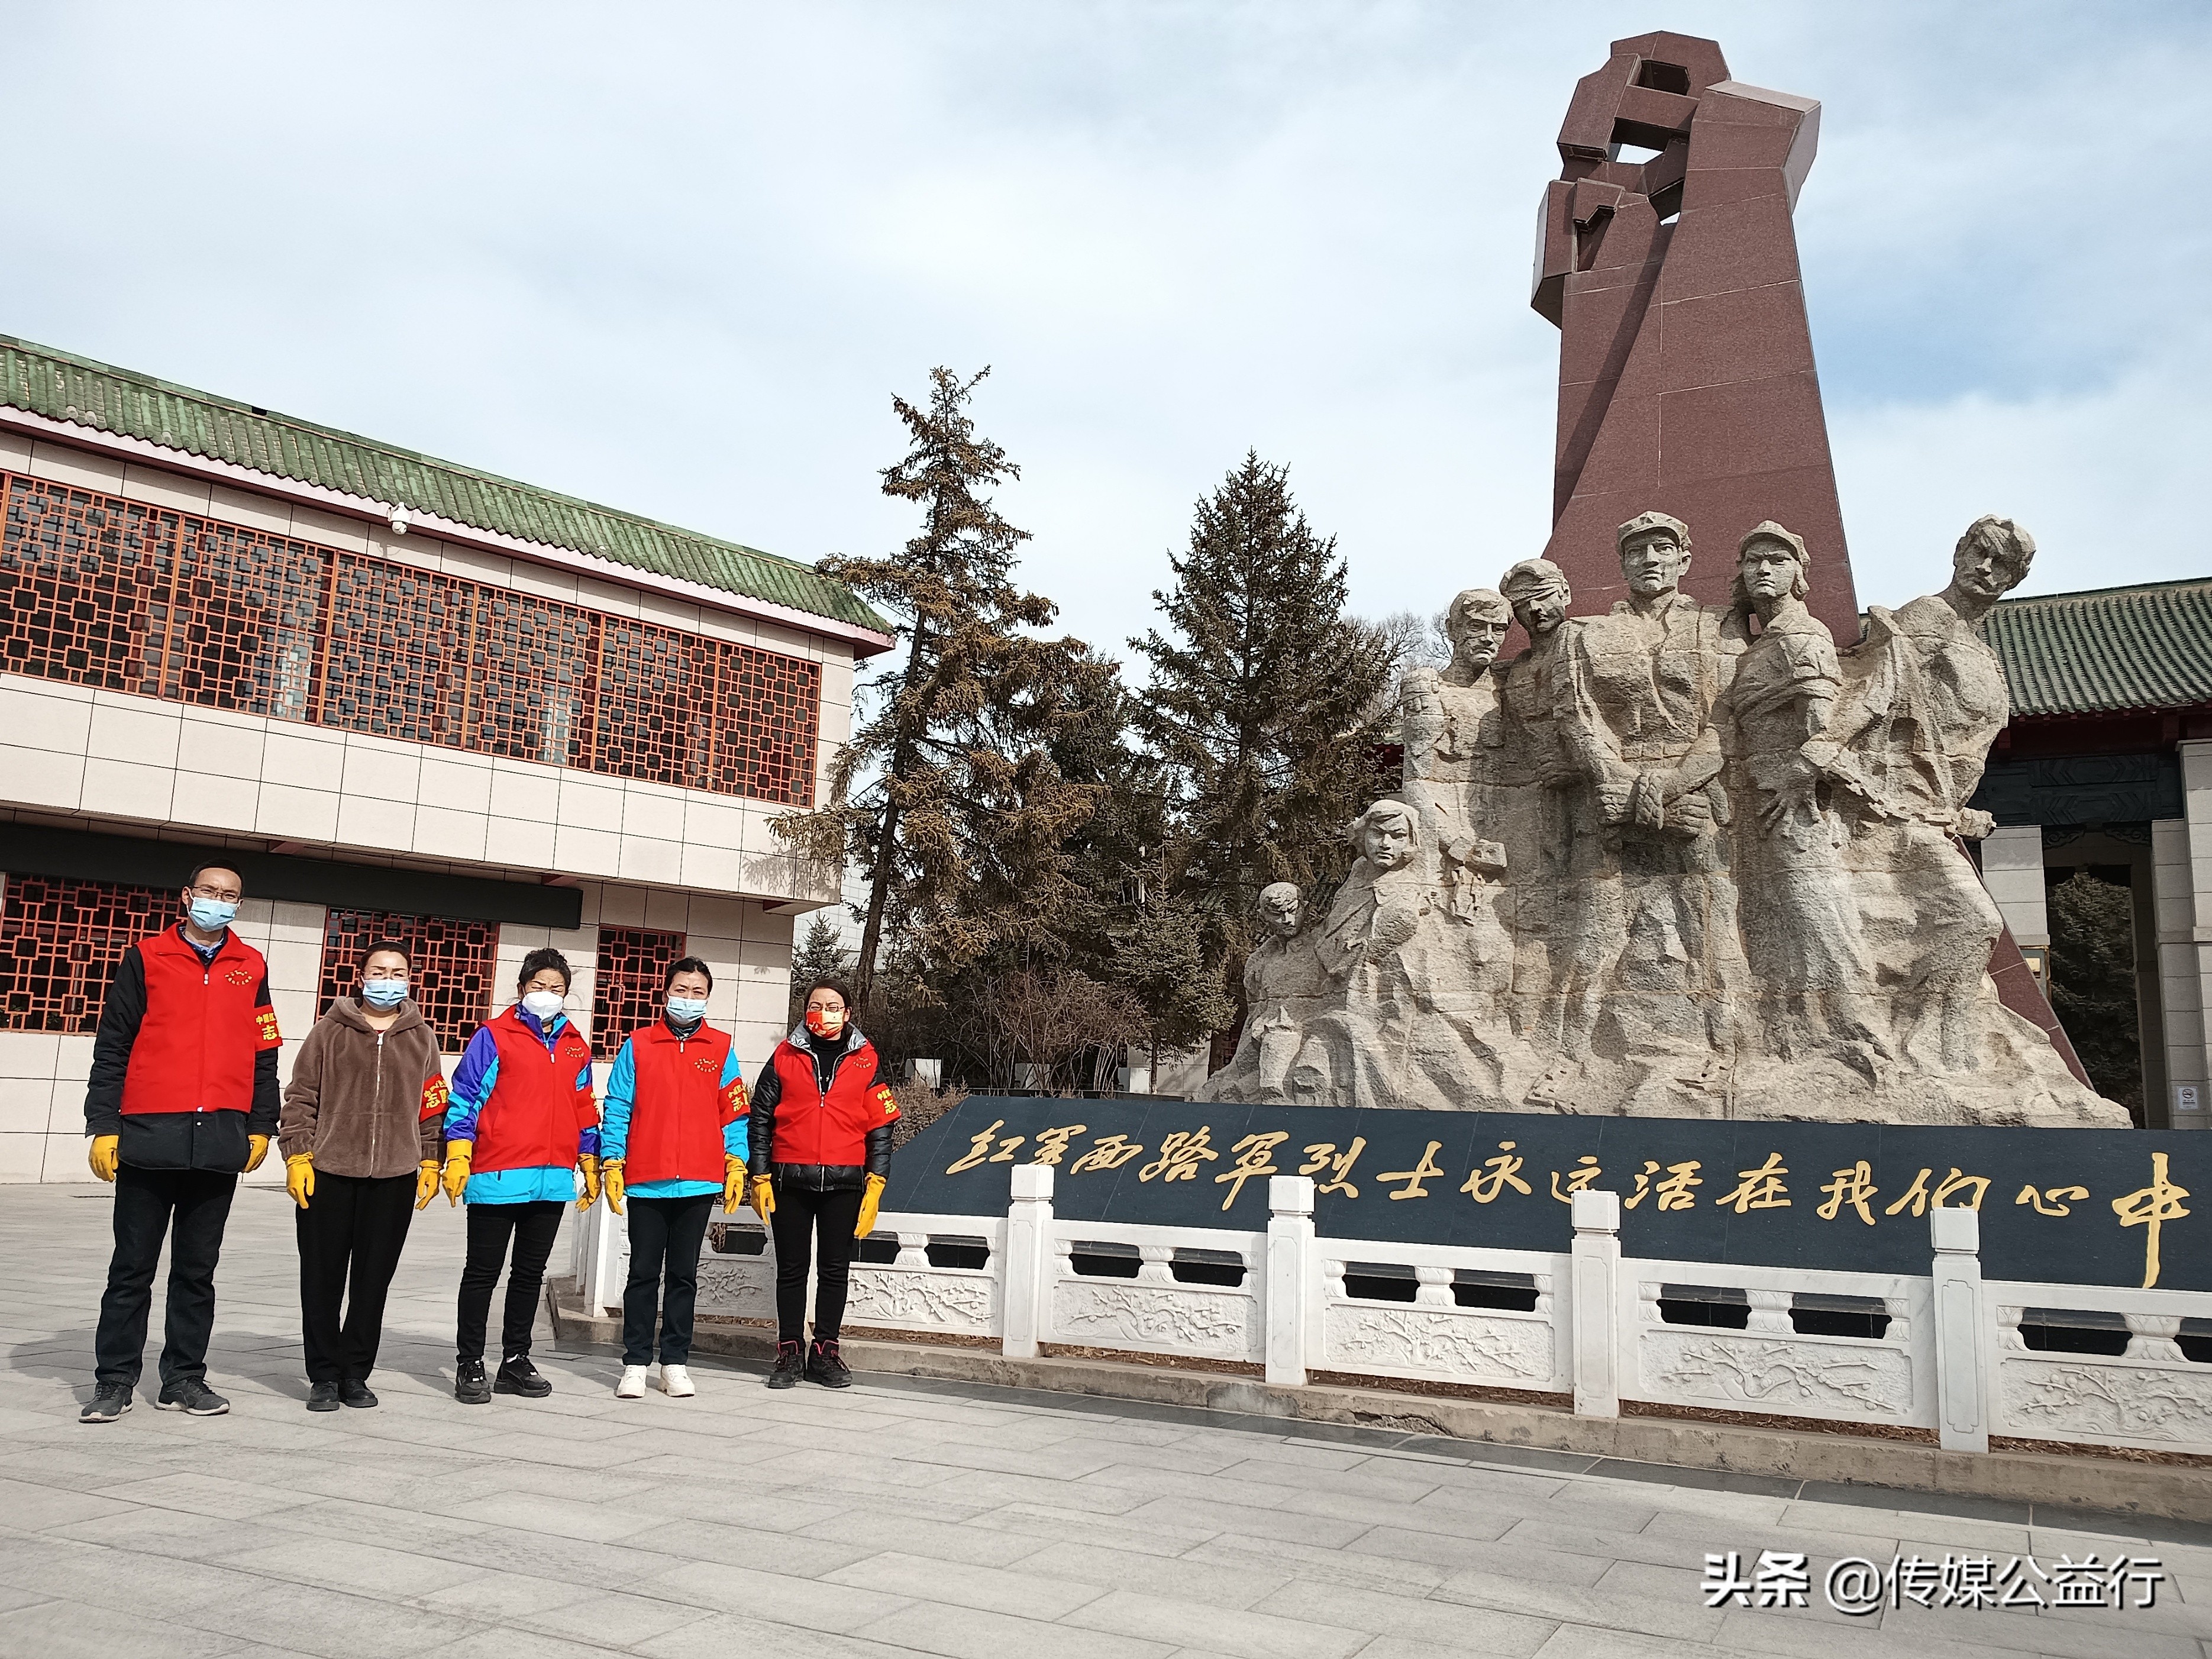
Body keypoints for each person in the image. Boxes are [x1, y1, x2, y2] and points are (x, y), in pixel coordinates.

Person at [80, 861, 280, 1423]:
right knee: (131, 1270)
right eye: (210, 892)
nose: (219, 901)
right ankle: (115, 1380)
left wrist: (263, 1123)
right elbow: (113, 1045)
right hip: (150, 1135)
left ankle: (184, 1379)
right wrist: (105, 1125)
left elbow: (265, 1051)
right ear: (187, 896)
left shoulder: (251, 965)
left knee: (197, 1272)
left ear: (239, 905)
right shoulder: (145, 958)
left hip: (219, 1138)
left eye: (230, 895)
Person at [279, 940, 450, 1411]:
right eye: (380, 971)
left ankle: (356, 1373)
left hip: (394, 1177)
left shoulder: (422, 1038)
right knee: (322, 1280)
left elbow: (433, 1106)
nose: (388, 980)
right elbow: (300, 1097)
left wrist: (431, 1159)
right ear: (360, 976)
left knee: (372, 1283)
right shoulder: (328, 1032)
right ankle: (323, 1376)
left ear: (410, 979)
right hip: (329, 1173)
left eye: (398, 973)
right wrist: (297, 1155)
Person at [440, 948, 600, 1405]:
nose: (546, 995)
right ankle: (469, 1362)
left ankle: (515, 1360)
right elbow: (467, 1096)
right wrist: (458, 1151)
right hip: (497, 1175)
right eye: (538, 986)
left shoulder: (574, 1044)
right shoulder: (494, 1036)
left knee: (530, 1275)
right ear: (521, 989)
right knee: (482, 1274)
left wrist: (588, 1158)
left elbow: (584, 1106)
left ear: (566, 995)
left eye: (556, 989)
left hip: (551, 1180)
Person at [598, 957, 749, 1400]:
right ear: (665, 994)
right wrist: (612, 1158)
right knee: (643, 1273)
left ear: (707, 997)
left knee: (684, 1275)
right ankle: (635, 1362)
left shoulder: (720, 1048)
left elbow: (734, 1111)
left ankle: (676, 1361)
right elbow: (619, 1104)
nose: (688, 998)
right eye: (681, 990)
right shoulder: (640, 1044)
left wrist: (736, 1161)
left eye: (697, 992)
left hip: (699, 1181)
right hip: (647, 1177)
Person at [747, 978, 897, 1390]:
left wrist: (876, 1181)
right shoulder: (784, 1055)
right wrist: (758, 1173)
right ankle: (790, 1351)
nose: (824, 1013)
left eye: (833, 1006)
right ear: (804, 1011)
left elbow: (881, 1127)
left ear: (847, 1014)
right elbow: (759, 1117)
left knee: (834, 1270)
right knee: (792, 1270)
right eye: (815, 1005)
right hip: (789, 1179)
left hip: (846, 1182)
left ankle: (825, 1351)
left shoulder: (866, 1059)